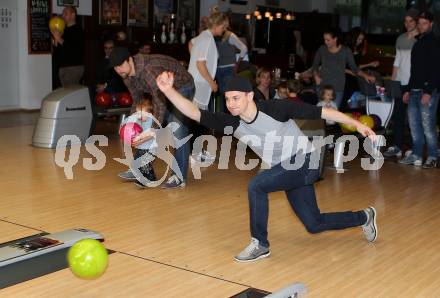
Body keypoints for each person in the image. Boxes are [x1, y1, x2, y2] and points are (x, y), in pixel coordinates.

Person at [155, 72, 378, 262]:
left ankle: (260, 243)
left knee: (257, 185)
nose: (231, 104)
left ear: (250, 96)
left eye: (236, 98)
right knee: (314, 223)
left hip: (306, 160)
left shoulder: (274, 108)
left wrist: (356, 124)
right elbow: (195, 113)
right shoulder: (233, 122)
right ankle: (365, 216)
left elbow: (322, 113)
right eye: (228, 99)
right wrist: (168, 91)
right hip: (286, 168)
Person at [110, 47, 195, 188]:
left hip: (182, 87)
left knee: (177, 129)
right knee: (146, 125)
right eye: (115, 67)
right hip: (161, 92)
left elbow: (159, 102)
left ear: (129, 60)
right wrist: (131, 123)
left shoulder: (149, 71)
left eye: (121, 65)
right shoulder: (126, 74)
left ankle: (178, 177)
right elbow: (137, 100)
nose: (118, 70)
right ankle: (141, 168)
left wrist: (153, 130)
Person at [399, 11, 440, 169]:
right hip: (415, 90)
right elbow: (415, 71)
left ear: (431, 24)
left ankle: (432, 156)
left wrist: (429, 91)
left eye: (425, 23)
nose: (422, 26)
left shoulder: (435, 43)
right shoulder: (418, 43)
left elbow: (436, 70)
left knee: (428, 126)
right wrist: (408, 89)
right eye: (420, 23)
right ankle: (416, 155)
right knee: (414, 126)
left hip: (428, 91)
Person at [383, 9, 419, 159]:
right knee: (398, 117)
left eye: (411, 20)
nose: (408, 23)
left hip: (414, 84)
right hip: (400, 83)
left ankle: (412, 148)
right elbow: (397, 61)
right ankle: (397, 146)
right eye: (406, 21)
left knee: (413, 118)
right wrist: (393, 81)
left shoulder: (421, 39)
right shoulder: (400, 38)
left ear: (416, 22)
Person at [312, 27, 375, 109]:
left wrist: (366, 76)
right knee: (322, 114)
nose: (325, 42)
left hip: (338, 88)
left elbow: (354, 68)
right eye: (324, 39)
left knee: (334, 117)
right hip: (322, 87)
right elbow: (315, 66)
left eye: (328, 40)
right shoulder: (322, 49)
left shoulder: (345, 51)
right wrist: (316, 76)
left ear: (335, 39)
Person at [120, 96, 157, 188]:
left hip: (150, 148)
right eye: (137, 113)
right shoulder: (138, 118)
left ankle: (150, 178)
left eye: (142, 114)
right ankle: (138, 174)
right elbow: (127, 121)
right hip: (141, 148)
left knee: (145, 165)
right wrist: (124, 125)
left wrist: (140, 138)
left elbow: (151, 134)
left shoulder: (151, 121)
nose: (139, 116)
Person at [215, 25, 248, 112]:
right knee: (222, 96)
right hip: (218, 69)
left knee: (228, 95)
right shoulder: (215, 35)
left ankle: (227, 118)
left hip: (228, 68)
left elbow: (244, 48)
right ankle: (223, 118)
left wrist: (237, 63)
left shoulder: (230, 35)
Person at [51, 6, 85, 87]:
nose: (62, 16)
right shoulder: (63, 30)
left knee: (69, 95)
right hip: (63, 68)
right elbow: (57, 51)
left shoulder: (78, 30)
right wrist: (55, 40)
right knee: (66, 95)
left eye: (65, 13)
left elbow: (73, 50)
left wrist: (58, 38)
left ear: (73, 15)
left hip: (73, 68)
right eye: (62, 14)